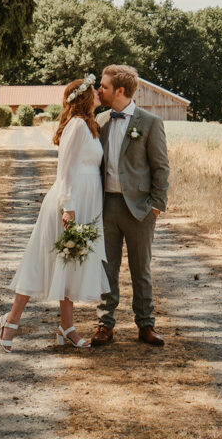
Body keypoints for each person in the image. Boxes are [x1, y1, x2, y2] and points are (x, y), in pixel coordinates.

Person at [0, 75, 109, 352]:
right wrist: (68, 208)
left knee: (71, 263)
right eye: (93, 89)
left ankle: (66, 328)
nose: (97, 93)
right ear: (83, 96)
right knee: (41, 261)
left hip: (85, 202)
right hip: (68, 204)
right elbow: (65, 170)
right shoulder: (78, 125)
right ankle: (10, 323)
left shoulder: (89, 125)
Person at [91, 64, 170, 347]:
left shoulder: (149, 122)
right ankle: (104, 324)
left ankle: (146, 325)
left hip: (140, 209)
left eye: (104, 86)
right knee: (106, 268)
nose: (99, 90)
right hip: (107, 205)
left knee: (141, 269)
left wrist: (156, 206)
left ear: (120, 91)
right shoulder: (99, 121)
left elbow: (161, 168)